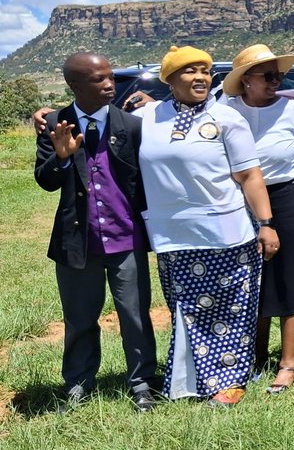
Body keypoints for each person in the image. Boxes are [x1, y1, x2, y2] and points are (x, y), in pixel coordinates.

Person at [138, 46, 278, 407]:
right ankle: (190, 381)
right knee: (186, 309)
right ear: (169, 79)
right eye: (189, 71)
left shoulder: (228, 118)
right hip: (172, 235)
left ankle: (231, 382)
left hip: (226, 232)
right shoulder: (148, 117)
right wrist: (47, 115)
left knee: (230, 308)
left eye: (205, 70)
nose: (200, 77)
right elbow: (100, 119)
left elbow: (249, 175)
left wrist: (265, 223)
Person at [34, 52, 159, 412]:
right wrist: (59, 157)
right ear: (74, 85)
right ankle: (78, 384)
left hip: (126, 237)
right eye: (98, 79)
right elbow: (45, 181)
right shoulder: (56, 123)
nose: (109, 85)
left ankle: (142, 383)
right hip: (78, 241)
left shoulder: (131, 126)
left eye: (111, 78)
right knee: (79, 318)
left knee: (135, 314)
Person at [221, 44, 294, 393]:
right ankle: (254, 357)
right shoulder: (226, 111)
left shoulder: (292, 111)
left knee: (291, 277)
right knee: (250, 278)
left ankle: (289, 361)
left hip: (290, 198)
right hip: (240, 200)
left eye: (279, 76)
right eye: (268, 76)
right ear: (245, 82)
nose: (276, 82)